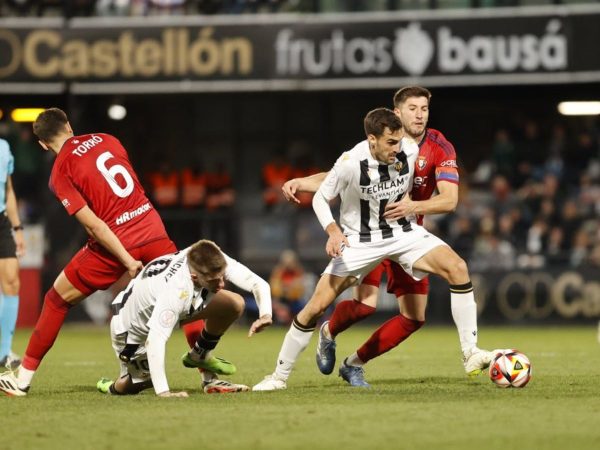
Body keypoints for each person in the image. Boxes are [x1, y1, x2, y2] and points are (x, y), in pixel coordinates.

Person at [253, 107, 491, 391]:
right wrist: (332, 230)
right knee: (316, 306)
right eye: (391, 142)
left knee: (458, 267)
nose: (397, 148)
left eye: (399, 141)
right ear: (372, 139)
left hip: (403, 233)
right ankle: (278, 377)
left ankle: (470, 353)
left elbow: (441, 189)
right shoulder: (351, 162)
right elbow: (321, 197)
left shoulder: (409, 150)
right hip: (360, 240)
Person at [0, 108, 178, 396]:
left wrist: (127, 260)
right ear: (69, 126)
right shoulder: (108, 139)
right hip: (151, 226)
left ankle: (22, 379)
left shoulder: (60, 172)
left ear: (43, 144)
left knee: (56, 299)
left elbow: (95, 225)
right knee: (184, 287)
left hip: (114, 242)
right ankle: (208, 374)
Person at [96, 239, 273, 397]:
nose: (222, 284)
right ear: (195, 277)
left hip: (163, 306)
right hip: (132, 331)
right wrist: (164, 392)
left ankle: (199, 355)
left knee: (234, 303)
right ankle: (112, 386)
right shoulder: (176, 291)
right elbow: (154, 341)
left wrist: (265, 314)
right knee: (140, 382)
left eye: (222, 277)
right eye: (214, 281)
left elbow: (258, 283)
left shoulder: (208, 255)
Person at [0, 139, 25, 370]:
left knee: (11, 281)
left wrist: (17, 228)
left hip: (1, 222)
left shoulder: (4, 148)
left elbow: (8, 190)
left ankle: (3, 351)